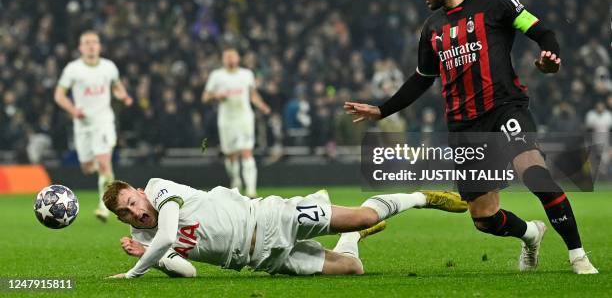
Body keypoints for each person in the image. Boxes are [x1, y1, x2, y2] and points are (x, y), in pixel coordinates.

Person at [344, 0, 598, 274]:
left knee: (535, 174)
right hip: (465, 127)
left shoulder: (497, 5)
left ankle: (578, 255)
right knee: (484, 218)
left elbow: (541, 32)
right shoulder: (432, 28)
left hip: (505, 108)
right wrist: (383, 109)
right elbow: (422, 79)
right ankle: (532, 234)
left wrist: (551, 58)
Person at [102, 178, 467, 278]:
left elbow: (168, 233)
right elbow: (190, 270)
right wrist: (159, 260)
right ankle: (351, 239)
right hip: (265, 260)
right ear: (122, 220)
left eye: (132, 202)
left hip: (271, 218)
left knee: (365, 215)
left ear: (138, 191)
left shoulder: (159, 188)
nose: (135, 212)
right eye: (126, 214)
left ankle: (422, 196)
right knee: (352, 268)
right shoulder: (144, 239)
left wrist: (136, 271)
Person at [54, 30, 133, 222]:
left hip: (103, 121)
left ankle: (105, 206)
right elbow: (59, 95)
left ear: (99, 46)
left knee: (104, 162)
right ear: (80, 47)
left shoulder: (109, 67)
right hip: (83, 125)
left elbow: (117, 86)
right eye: (87, 42)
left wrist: (123, 95)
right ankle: (103, 175)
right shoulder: (73, 69)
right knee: (88, 167)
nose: (91, 45)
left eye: (94, 42)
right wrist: (73, 111)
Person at [202, 47, 271, 198]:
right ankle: (236, 180)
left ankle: (251, 190)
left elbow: (252, 95)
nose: (231, 59)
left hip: (244, 117)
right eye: (227, 56)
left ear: (238, 58)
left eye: (233, 56)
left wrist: (262, 106)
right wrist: (216, 95)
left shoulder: (246, 74)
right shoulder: (217, 76)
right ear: (223, 59)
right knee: (231, 155)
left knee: (246, 152)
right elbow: (205, 97)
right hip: (226, 120)